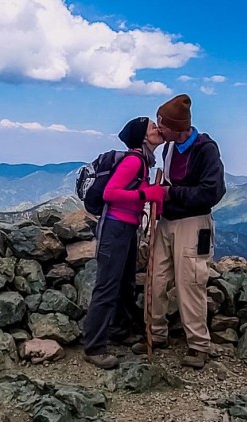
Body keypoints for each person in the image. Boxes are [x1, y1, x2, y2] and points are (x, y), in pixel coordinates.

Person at [132, 94, 226, 369]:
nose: (160, 129)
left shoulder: (205, 149)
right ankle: (156, 333)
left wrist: (170, 194)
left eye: (164, 125)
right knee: (156, 278)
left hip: (193, 223)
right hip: (167, 220)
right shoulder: (169, 148)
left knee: (190, 282)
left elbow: (212, 192)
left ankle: (198, 345)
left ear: (179, 126)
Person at [83, 116, 166, 369]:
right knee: (108, 286)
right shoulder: (133, 161)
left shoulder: (144, 162)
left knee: (125, 283)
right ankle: (94, 347)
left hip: (125, 227)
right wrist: (145, 194)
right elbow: (111, 193)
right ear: (143, 137)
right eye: (153, 127)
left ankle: (119, 330)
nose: (158, 130)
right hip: (115, 228)